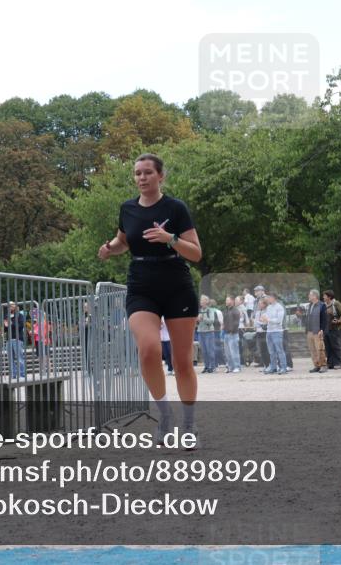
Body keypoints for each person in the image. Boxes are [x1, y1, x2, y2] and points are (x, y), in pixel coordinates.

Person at [97, 153, 202, 447]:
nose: (141, 178)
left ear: (160, 176)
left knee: (182, 362)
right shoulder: (127, 209)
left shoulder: (175, 208)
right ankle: (165, 415)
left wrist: (170, 238)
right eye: (137, 173)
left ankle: (190, 425)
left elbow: (196, 253)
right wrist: (109, 248)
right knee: (148, 350)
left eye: (147, 173)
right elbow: (123, 242)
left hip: (176, 285)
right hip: (141, 285)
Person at [261, 292, 288, 374]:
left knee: (279, 350)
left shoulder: (279, 307)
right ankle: (273, 367)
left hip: (277, 331)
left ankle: (283, 367)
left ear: (273, 298)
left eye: (269, 297)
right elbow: (267, 319)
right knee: (271, 351)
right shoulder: (268, 307)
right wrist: (263, 321)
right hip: (269, 331)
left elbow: (279, 321)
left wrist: (268, 320)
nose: (267, 299)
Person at [303, 290, 327, 373]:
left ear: (315, 296)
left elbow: (324, 319)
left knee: (320, 348)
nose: (308, 296)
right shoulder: (310, 305)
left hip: (317, 331)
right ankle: (316, 365)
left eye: (310, 295)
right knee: (312, 350)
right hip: (310, 331)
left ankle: (323, 365)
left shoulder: (322, 305)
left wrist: (322, 329)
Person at [322, 290, 341, 369]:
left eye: (325, 296)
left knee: (335, 346)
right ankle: (330, 363)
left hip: (335, 328)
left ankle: (339, 363)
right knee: (328, 346)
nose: (323, 297)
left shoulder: (336, 303)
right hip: (327, 328)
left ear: (329, 297)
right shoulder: (324, 305)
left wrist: (339, 320)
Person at [196, 295, 218, 373]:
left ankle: (213, 366)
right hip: (200, 332)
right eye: (201, 300)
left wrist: (203, 318)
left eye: (202, 300)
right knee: (204, 351)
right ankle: (206, 366)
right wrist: (197, 319)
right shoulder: (199, 310)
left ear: (206, 301)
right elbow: (197, 322)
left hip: (209, 332)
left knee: (210, 350)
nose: (201, 302)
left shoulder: (210, 310)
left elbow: (212, 321)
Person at [222, 297, 243, 373]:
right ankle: (230, 367)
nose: (226, 301)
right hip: (226, 333)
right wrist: (223, 326)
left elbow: (236, 323)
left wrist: (232, 330)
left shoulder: (235, 310)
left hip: (233, 334)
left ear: (232, 301)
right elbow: (225, 321)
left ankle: (237, 366)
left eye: (227, 300)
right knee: (227, 352)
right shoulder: (226, 310)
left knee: (234, 351)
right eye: (226, 300)